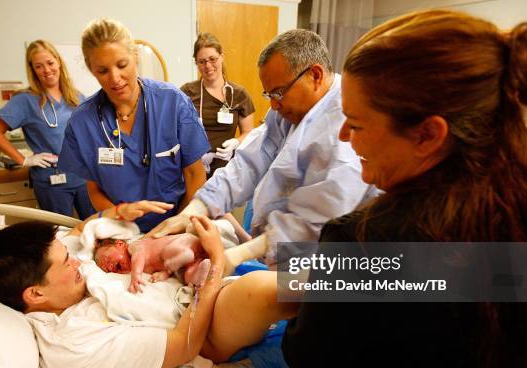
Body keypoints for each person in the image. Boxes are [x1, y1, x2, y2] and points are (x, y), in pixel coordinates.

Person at [282, 10, 527, 368]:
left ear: (428, 135)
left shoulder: (364, 242)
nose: (344, 136)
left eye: (356, 124)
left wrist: (311, 285)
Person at [0, 215, 298, 368]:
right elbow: (184, 344)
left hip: (185, 280)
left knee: (301, 261)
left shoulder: (64, 276)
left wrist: (122, 214)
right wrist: (215, 259)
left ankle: (348, 272)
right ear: (35, 294)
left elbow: (84, 231)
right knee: (266, 289)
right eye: (66, 262)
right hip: (204, 322)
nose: (78, 263)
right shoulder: (75, 343)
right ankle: (352, 278)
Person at [148, 29, 376, 263]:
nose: (274, 105)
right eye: (269, 95)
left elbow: (317, 220)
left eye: (278, 92)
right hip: (280, 245)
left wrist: (242, 254)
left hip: (331, 256)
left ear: (315, 76)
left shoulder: (343, 126)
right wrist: (197, 208)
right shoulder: (288, 110)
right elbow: (249, 162)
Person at [58, 18, 210, 233]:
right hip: (120, 229)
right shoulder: (83, 122)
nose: (115, 78)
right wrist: (123, 223)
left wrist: (178, 225)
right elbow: (94, 190)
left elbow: (195, 175)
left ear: (135, 57)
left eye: (122, 65)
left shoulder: (172, 102)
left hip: (179, 223)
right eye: (102, 71)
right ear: (92, 70)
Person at [0, 40, 94, 219]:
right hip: (52, 181)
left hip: (83, 177)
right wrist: (24, 160)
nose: (47, 70)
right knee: (59, 233)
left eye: (50, 63)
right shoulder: (25, 100)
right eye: (39, 66)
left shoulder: (76, 96)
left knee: (94, 228)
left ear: (58, 62)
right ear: (33, 70)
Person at [180, 33, 255, 176]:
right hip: (193, 168)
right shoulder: (187, 92)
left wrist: (236, 142)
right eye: (201, 61)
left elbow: (249, 132)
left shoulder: (239, 94)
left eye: (212, 59)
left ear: (222, 57)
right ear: (196, 63)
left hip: (226, 169)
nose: (208, 66)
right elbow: (175, 129)